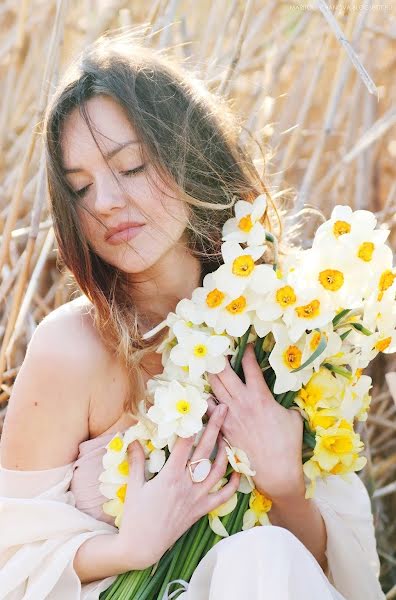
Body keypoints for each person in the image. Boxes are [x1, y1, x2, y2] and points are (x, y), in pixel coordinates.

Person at [0, 31, 385, 600]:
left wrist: (286, 489)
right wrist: (132, 548)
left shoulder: (287, 330)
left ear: (191, 156)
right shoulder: (70, 349)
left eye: (130, 167)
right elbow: (9, 556)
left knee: (265, 553)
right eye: (80, 189)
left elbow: (338, 575)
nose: (103, 202)